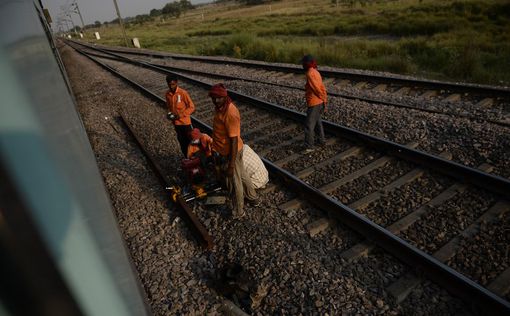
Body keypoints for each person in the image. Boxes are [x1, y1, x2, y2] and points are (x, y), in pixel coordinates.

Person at [209, 83, 258, 218]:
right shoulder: (220, 108)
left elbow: (234, 140)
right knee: (242, 175)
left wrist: (230, 165)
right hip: (229, 150)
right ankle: (253, 198)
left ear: (225, 97)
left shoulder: (230, 112)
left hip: (232, 152)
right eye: (213, 98)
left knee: (234, 182)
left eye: (219, 98)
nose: (216, 100)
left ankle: (238, 212)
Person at [302, 54, 327, 152]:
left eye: (304, 63)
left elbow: (317, 88)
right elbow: (322, 87)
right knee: (317, 123)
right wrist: (324, 99)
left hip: (314, 102)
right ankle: (321, 141)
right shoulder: (316, 71)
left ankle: (309, 146)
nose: (302, 65)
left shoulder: (310, 73)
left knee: (309, 125)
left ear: (307, 64)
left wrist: (323, 98)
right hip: (319, 102)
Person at [165, 75, 195, 157]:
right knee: (182, 143)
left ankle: (194, 159)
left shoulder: (183, 93)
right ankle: (187, 158)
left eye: (173, 84)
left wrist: (180, 115)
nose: (171, 87)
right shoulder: (167, 94)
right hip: (177, 124)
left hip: (186, 124)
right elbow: (168, 107)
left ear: (176, 83)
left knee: (191, 142)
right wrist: (169, 114)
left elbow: (192, 107)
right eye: (169, 85)